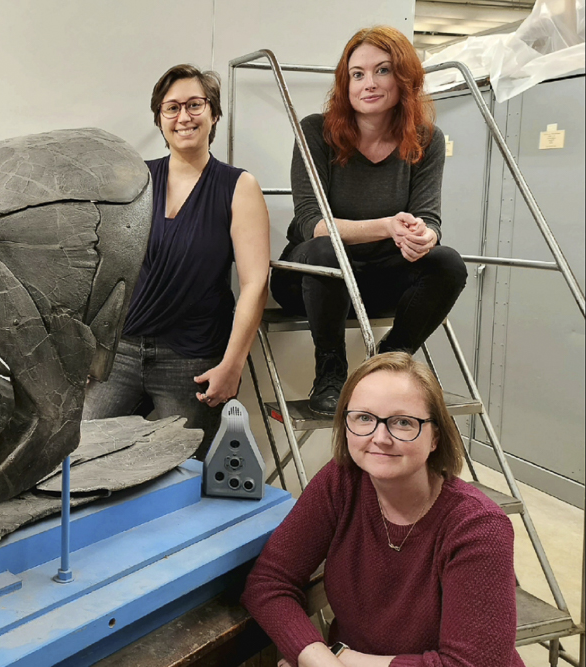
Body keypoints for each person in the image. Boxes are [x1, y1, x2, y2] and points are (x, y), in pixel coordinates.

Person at [241, 352, 524, 666]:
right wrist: (316, 657)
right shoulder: (341, 482)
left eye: (403, 422)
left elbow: (472, 665)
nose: (379, 438)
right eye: (363, 418)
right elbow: (269, 581)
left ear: (435, 438)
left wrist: (342, 659)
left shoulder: (478, 527)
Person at [270, 26, 468, 416]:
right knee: (326, 249)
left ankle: (389, 360)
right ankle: (330, 369)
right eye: (357, 74)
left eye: (383, 71)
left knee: (449, 262)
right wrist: (388, 225)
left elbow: (429, 217)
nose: (369, 83)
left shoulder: (427, 138)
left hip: (377, 280)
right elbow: (312, 220)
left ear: (405, 78)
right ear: (345, 84)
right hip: (311, 277)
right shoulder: (315, 131)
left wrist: (422, 236)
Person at [82, 64, 270, 459]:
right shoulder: (136, 180)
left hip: (193, 359)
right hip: (122, 351)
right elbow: (102, 268)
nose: (184, 117)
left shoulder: (238, 187)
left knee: (179, 472)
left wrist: (232, 365)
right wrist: (89, 347)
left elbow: (255, 283)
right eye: (172, 108)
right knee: (79, 455)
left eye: (195, 105)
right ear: (159, 119)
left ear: (214, 114)